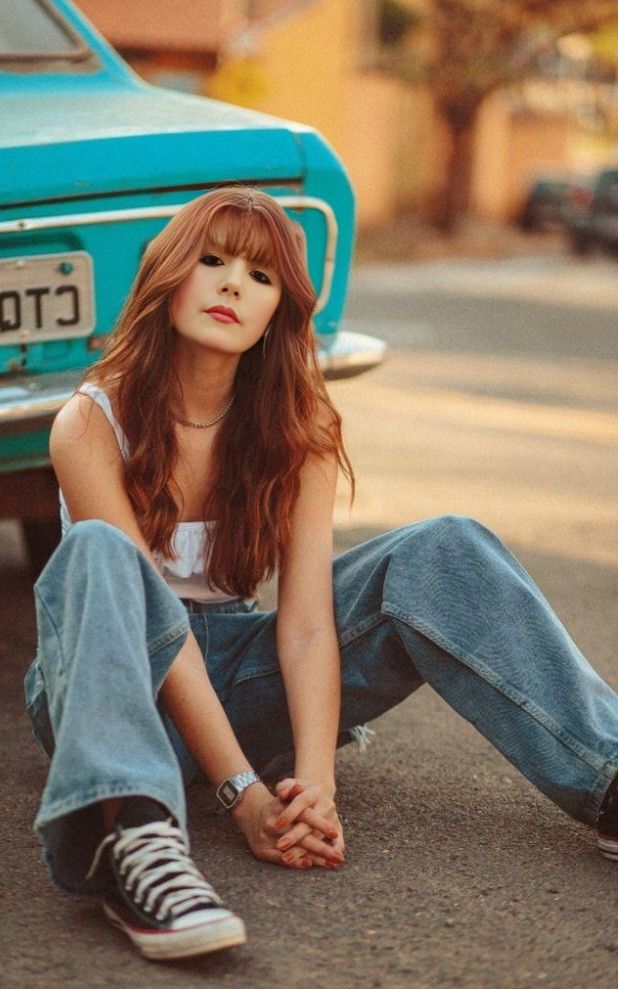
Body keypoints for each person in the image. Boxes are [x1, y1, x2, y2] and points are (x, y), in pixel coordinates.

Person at [23, 185, 618, 963]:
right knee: (100, 555)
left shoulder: (297, 428)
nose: (234, 283)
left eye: (261, 275)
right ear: (169, 274)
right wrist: (243, 798)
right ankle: (134, 841)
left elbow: (303, 626)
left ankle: (607, 777)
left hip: (241, 670)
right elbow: (163, 641)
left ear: (281, 310)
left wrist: (314, 788)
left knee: (447, 545)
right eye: (212, 261)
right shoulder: (90, 423)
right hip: (118, 682)